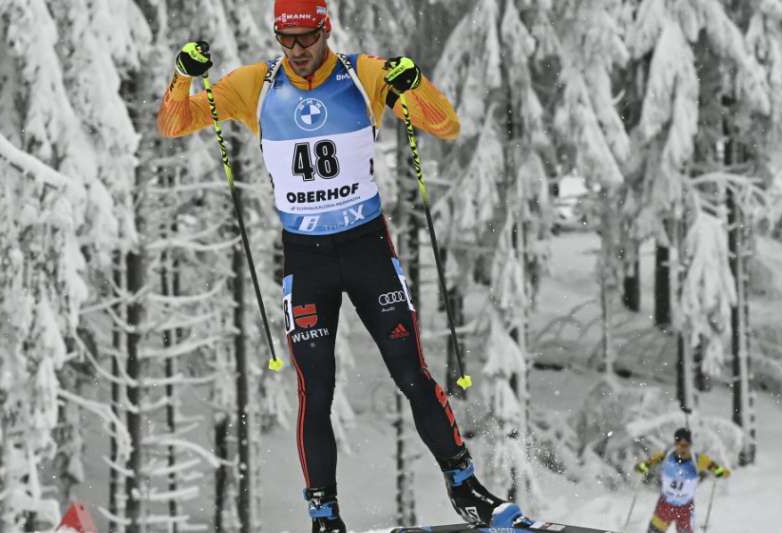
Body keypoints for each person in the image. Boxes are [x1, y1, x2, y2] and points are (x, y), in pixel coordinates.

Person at [156, 1, 530, 531]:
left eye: (307, 39)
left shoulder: (363, 75)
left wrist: (414, 83)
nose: (297, 51)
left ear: (325, 30)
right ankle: (325, 514)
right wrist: (181, 78)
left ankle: (464, 486)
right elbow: (175, 122)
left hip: (367, 249)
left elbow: (444, 125)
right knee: (316, 388)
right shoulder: (254, 85)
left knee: (412, 373)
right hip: (306, 259)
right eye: (287, 41)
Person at [633, 428, 731, 533]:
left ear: (691, 445)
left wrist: (721, 472)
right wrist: (642, 467)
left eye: (686, 446)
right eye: (680, 445)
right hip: (666, 505)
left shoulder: (697, 459)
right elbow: (649, 463)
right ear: (675, 444)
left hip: (685, 508)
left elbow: (716, 468)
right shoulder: (666, 455)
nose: (683, 449)